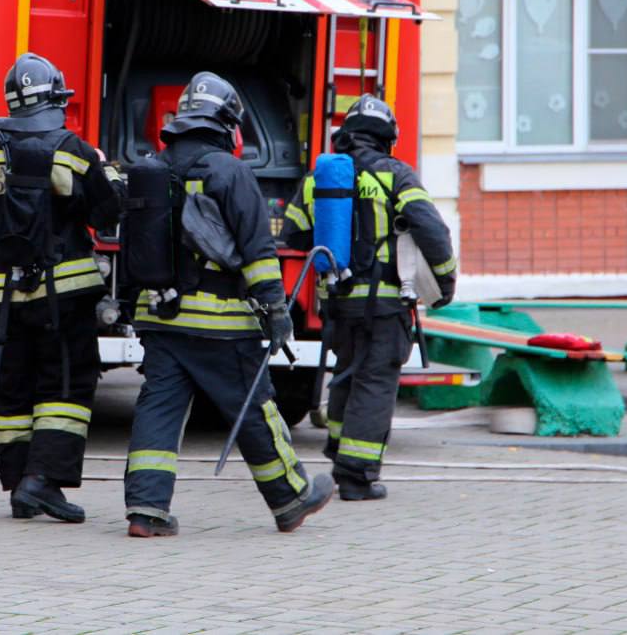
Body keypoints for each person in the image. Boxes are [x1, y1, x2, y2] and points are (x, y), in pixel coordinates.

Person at [123, 72, 335, 537]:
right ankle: (291, 497)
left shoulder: (155, 168)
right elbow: (258, 251)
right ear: (225, 122)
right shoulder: (230, 171)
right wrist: (277, 312)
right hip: (221, 322)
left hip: (159, 318)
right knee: (255, 409)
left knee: (158, 411)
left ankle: (145, 510)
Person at [0, 53, 124, 523]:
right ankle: (44, 482)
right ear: (55, 97)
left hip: (5, 294)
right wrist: (109, 171)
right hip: (66, 292)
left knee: (13, 388)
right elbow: (107, 214)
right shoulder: (75, 152)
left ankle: (19, 485)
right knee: (64, 387)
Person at [281, 94, 456, 501]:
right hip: (384, 303)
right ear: (386, 138)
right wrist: (444, 285)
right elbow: (433, 233)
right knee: (375, 383)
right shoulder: (397, 175)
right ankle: (357, 476)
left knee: (347, 374)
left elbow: (292, 236)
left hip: (339, 303)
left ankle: (341, 454)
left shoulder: (319, 179)